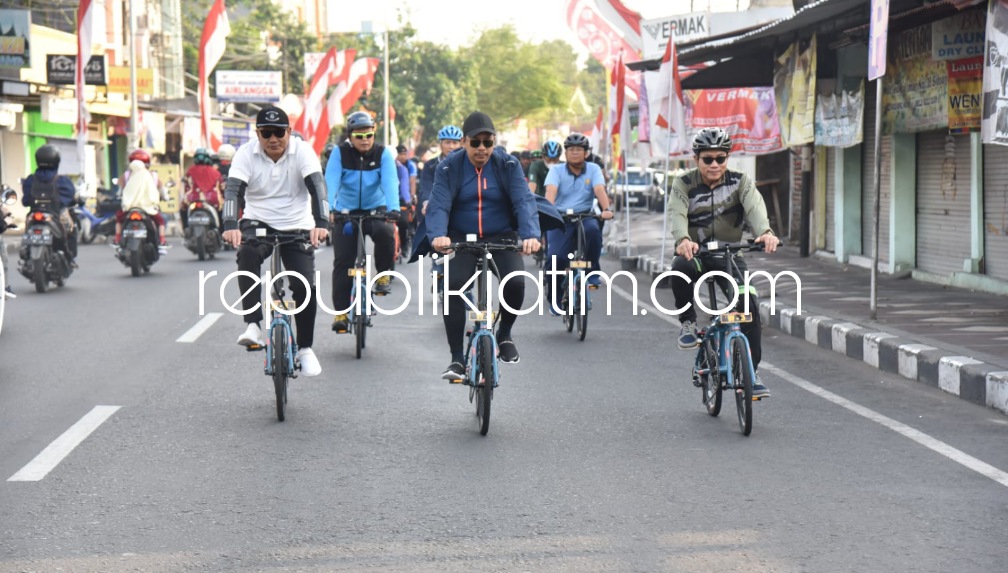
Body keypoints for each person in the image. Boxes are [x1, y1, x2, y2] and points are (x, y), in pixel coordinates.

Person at [426, 111, 541, 380]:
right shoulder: (448, 167)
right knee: (452, 287)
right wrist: (439, 235)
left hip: (501, 236)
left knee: (515, 282)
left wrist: (530, 235)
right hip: (461, 238)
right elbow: (439, 203)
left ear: (494, 142)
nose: (482, 149)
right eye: (475, 142)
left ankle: (505, 335)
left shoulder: (508, 164)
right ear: (464, 142)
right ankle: (456, 359)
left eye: (487, 143)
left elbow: (523, 200)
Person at [667, 127, 780, 399]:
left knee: (749, 306)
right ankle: (688, 323)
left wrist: (764, 232)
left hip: (730, 257)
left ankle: (752, 375)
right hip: (695, 255)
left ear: (727, 158)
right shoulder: (683, 183)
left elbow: (754, 207)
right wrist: (683, 239)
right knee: (679, 270)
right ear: (697, 159)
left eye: (721, 158)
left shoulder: (741, 182)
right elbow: (677, 213)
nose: (715, 164)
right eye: (708, 159)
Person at [221, 105, 329, 377]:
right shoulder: (246, 153)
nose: (273, 139)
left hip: (298, 225)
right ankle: (254, 326)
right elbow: (233, 191)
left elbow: (318, 187)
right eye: (266, 133)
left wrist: (322, 224)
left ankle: (305, 348)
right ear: (257, 134)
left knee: (304, 284)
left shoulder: (302, 151)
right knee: (246, 255)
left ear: (289, 132)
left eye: (279, 132)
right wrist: (231, 225)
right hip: (259, 223)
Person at [324, 111, 399, 333]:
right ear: (350, 137)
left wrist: (393, 208)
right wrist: (328, 210)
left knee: (386, 233)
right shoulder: (339, 153)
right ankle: (341, 313)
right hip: (345, 212)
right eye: (359, 136)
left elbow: (390, 182)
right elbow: (331, 182)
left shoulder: (383, 154)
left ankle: (384, 274)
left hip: (375, 209)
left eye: (369, 135)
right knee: (343, 263)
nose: (365, 139)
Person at [543, 133, 613, 298]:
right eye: (571, 149)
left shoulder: (593, 169)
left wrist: (606, 208)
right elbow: (550, 191)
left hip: (585, 216)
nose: (575, 152)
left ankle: (591, 271)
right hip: (560, 219)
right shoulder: (556, 171)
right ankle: (556, 297)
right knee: (555, 258)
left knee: (594, 232)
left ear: (586, 153)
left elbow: (599, 189)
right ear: (565, 153)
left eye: (579, 149)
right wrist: (549, 210)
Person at [20, 144, 78, 265]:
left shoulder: (31, 179)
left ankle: (26, 252)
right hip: (57, 215)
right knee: (72, 229)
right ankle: (70, 258)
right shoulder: (62, 181)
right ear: (57, 161)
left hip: (34, 214)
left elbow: (25, 201)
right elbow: (70, 199)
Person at [116, 159, 168, 247]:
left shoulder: (129, 178)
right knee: (160, 221)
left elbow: (123, 193)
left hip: (130, 207)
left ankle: (117, 240)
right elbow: (153, 193)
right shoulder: (149, 177)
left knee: (118, 219)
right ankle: (162, 241)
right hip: (147, 208)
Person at [180, 147, 222, 229]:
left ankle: (185, 229)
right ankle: (221, 231)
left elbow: (186, 184)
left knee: (182, 209)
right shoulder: (215, 172)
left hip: (192, 199)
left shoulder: (190, 171)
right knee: (222, 211)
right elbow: (221, 186)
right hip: (212, 200)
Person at [394, 144, 414, 258]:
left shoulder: (403, 169)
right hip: (384, 202)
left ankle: (405, 243)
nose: (402, 157)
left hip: (401, 200)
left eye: (403, 154)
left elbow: (405, 187)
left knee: (403, 222)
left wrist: (408, 200)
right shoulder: (383, 166)